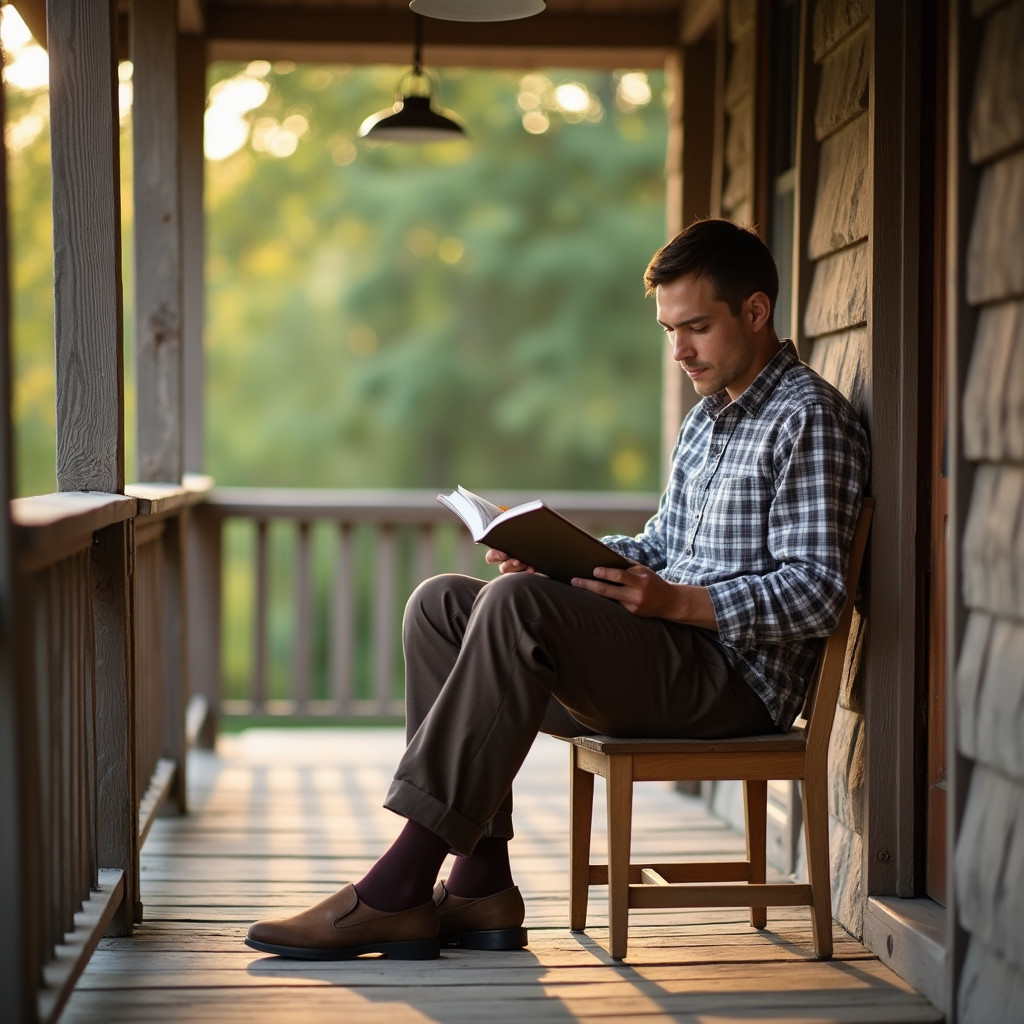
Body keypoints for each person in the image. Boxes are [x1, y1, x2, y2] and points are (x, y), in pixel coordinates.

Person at [245, 218, 870, 961]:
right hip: (667, 657)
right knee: (443, 605)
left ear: (756, 311)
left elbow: (816, 591)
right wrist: (562, 561)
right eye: (670, 330)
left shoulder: (809, 417)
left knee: (514, 609)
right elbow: (662, 546)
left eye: (696, 328)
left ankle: (398, 887)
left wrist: (673, 602)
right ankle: (481, 887)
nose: (679, 351)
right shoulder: (710, 420)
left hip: (732, 682)